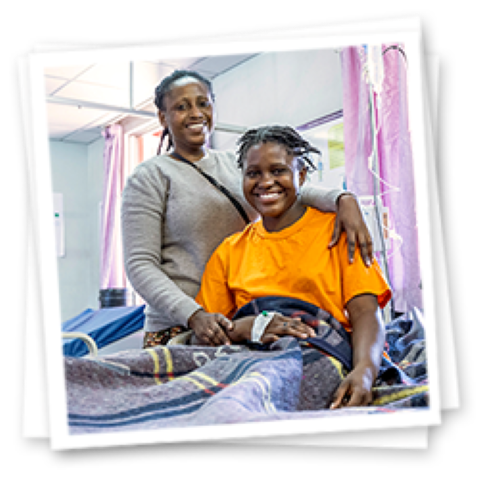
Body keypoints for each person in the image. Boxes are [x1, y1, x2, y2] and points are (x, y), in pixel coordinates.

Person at [121, 70, 374, 349]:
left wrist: (343, 199)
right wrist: (194, 315)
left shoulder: (234, 163)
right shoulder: (149, 176)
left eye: (202, 103)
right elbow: (140, 264)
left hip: (240, 321)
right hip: (179, 325)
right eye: (182, 107)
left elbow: (283, 189)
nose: (195, 113)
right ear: (162, 117)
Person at [195, 125, 392, 408]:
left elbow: (366, 313)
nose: (265, 182)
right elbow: (211, 333)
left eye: (278, 171)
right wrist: (248, 327)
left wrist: (365, 370)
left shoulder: (336, 232)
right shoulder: (229, 252)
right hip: (247, 358)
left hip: (318, 352)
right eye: (254, 173)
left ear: (300, 175)